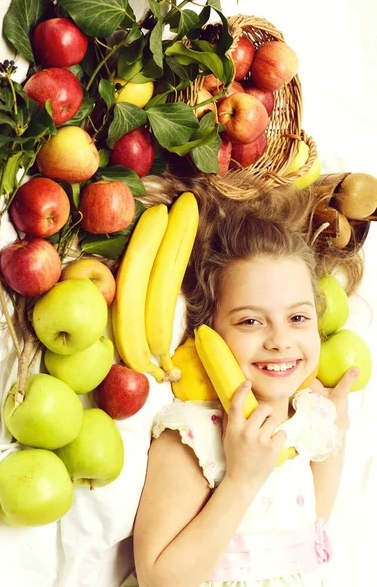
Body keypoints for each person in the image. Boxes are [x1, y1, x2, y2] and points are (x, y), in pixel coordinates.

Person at [122, 174, 364, 587]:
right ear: (210, 330)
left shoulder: (306, 421)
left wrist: (334, 426)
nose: (280, 340)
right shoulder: (193, 434)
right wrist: (242, 479)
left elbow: (314, 528)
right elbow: (158, 579)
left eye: (298, 318)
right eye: (251, 321)